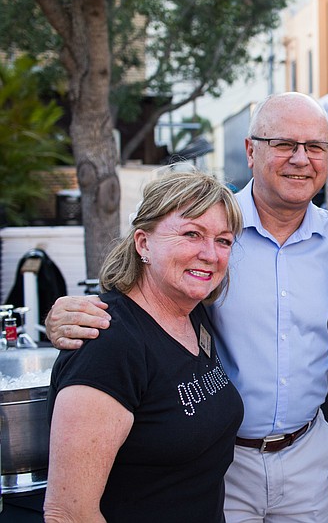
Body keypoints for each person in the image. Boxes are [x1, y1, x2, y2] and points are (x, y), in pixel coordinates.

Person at [45, 93, 328, 522]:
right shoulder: (216, 221)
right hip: (221, 461)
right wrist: (63, 315)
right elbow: (138, 297)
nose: (301, 159)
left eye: (315, 147)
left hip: (308, 456)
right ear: (251, 150)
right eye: (284, 144)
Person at [44, 170, 244, 522]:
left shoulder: (192, 316)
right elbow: (68, 514)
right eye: (191, 234)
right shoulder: (109, 343)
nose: (210, 254)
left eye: (224, 240)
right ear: (143, 243)